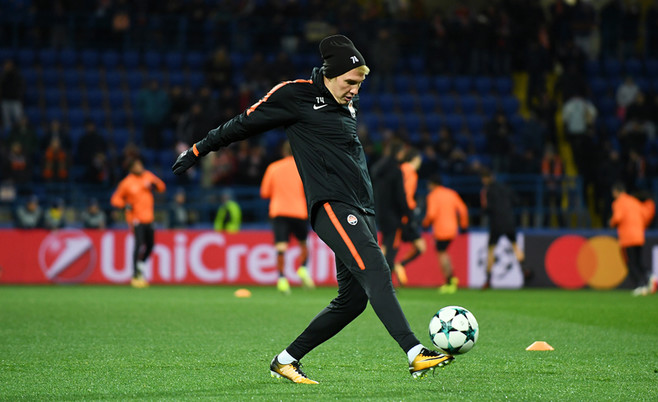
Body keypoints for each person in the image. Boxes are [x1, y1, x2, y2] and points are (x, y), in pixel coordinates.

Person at [172, 34, 453, 383]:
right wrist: (199, 149)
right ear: (330, 75)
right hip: (332, 205)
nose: (355, 90)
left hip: (362, 208)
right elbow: (243, 123)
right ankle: (415, 352)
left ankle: (285, 361)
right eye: (350, 82)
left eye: (360, 84)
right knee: (377, 270)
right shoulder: (296, 95)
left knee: (352, 302)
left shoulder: (347, 103)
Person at [260, 141, 315, 294]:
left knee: (281, 246)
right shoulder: (303, 168)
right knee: (303, 242)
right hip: (299, 211)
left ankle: (282, 279)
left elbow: (264, 193)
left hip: (279, 211)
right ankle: (303, 268)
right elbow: (310, 191)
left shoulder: (273, 168)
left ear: (283, 151)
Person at [110, 158, 166, 288]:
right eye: (137, 166)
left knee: (151, 245)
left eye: (140, 165)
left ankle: (140, 264)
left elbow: (162, 187)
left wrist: (154, 185)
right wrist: (125, 205)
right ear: (131, 169)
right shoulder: (126, 183)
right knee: (139, 244)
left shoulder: (148, 176)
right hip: (136, 219)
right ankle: (135, 275)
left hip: (149, 218)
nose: (140, 168)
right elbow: (115, 199)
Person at [480, 169, 529, 289]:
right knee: (514, 245)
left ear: (485, 179)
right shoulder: (506, 188)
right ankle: (524, 269)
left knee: (491, 249)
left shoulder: (488, 191)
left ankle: (488, 279)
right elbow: (517, 201)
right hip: (509, 222)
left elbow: (487, 208)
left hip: (496, 223)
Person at [370, 139, 410, 286]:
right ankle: (383, 280)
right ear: (398, 153)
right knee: (391, 247)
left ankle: (378, 277)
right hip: (393, 215)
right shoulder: (396, 171)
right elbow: (400, 195)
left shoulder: (378, 169)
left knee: (385, 245)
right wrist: (407, 213)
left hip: (380, 212)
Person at [422, 175, 468, 294]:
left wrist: (425, 224)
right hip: (453, 229)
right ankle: (452, 279)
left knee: (442, 254)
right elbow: (463, 209)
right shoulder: (451, 193)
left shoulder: (433, 196)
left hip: (441, 230)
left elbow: (431, 214)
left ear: (433, 184)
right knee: (445, 253)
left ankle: (449, 281)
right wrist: (463, 225)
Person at [609, 182, 657, 296]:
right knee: (638, 262)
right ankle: (649, 276)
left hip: (627, 238)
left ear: (615, 192)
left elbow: (617, 217)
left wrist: (611, 222)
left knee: (631, 263)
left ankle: (640, 285)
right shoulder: (634, 201)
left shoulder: (618, 202)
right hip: (639, 236)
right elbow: (646, 216)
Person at [394, 148, 427, 284]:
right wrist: (407, 213)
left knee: (391, 246)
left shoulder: (402, 169)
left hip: (401, 212)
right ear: (415, 159)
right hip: (405, 213)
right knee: (392, 246)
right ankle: (395, 266)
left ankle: (399, 265)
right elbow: (405, 193)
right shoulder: (409, 171)